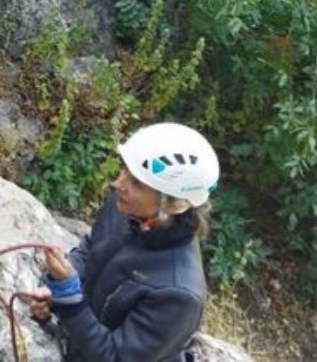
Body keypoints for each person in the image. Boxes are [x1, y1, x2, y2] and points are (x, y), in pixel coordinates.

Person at [26, 123, 220, 362]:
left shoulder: (178, 294)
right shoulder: (126, 209)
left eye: (136, 182)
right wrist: (58, 288)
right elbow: (91, 247)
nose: (118, 184)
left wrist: (71, 300)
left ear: (171, 204)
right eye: (124, 170)